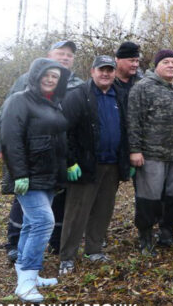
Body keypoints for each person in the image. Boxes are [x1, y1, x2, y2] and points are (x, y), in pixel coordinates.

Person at [0, 40, 83, 262]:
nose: (65, 58)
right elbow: (10, 129)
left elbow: (63, 133)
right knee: (39, 218)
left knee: (39, 217)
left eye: (69, 55)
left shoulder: (62, 95)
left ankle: (29, 262)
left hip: (52, 167)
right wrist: (15, 167)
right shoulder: (23, 90)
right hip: (29, 166)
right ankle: (21, 258)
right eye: (60, 53)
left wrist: (70, 161)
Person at [1, 58, 70, 302]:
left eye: (55, 76)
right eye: (47, 75)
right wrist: (19, 174)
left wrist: (66, 167)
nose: (51, 79)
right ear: (36, 75)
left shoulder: (54, 104)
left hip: (49, 175)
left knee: (31, 224)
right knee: (43, 221)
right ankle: (26, 283)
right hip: (28, 176)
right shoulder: (19, 100)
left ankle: (27, 273)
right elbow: (11, 139)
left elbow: (59, 140)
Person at [59, 55, 131, 275]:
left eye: (110, 70)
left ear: (114, 72)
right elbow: (64, 131)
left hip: (112, 164)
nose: (106, 74)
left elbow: (126, 129)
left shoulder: (120, 95)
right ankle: (67, 257)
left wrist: (127, 159)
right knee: (76, 213)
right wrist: (70, 162)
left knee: (103, 210)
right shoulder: (78, 95)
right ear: (92, 71)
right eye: (101, 70)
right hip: (86, 164)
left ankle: (94, 250)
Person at [128, 50, 173, 256]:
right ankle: (145, 236)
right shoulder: (142, 87)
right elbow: (133, 121)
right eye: (166, 62)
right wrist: (135, 150)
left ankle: (167, 231)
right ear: (157, 66)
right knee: (149, 199)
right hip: (152, 154)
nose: (171, 65)